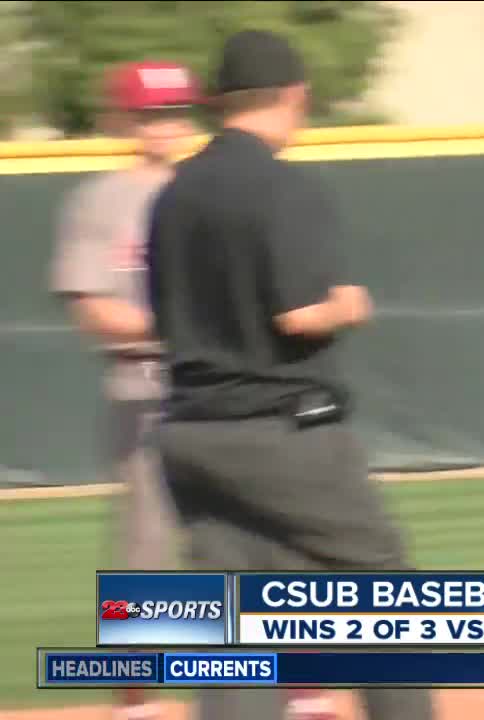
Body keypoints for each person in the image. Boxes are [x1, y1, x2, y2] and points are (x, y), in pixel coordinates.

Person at [144, 30, 433, 720]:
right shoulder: (281, 185)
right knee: (382, 590)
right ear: (296, 97)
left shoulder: (171, 193)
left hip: (188, 432)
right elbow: (301, 314)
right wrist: (348, 303)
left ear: (218, 103)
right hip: (280, 430)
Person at [49, 59, 202, 720]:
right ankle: (136, 700)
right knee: (148, 552)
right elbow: (93, 310)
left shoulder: (212, 188)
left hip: (226, 394)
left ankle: (290, 690)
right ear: (121, 118)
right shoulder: (102, 198)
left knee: (256, 541)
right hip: (145, 392)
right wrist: (187, 333)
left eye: (172, 110)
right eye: (147, 112)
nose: (161, 124)